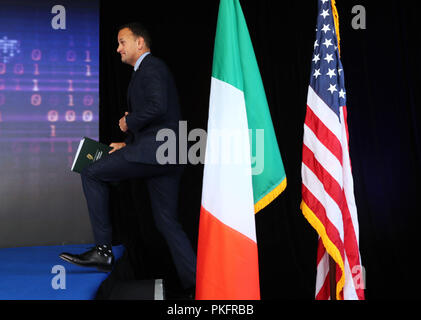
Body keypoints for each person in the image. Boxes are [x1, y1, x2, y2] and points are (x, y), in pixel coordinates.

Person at [59, 22, 196, 293]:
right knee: (167, 223)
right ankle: (199, 286)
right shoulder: (145, 71)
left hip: (156, 152)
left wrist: (128, 121)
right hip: (167, 154)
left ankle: (102, 250)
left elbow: (158, 107)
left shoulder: (151, 67)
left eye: (122, 42)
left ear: (140, 43)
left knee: (92, 171)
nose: (118, 48)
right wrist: (127, 143)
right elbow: (160, 118)